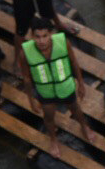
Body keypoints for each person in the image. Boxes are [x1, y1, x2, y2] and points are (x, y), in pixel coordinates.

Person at [18, 17, 99, 147]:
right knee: (49, 117)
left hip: (65, 86)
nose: (41, 41)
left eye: (45, 36)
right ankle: (53, 140)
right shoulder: (24, 53)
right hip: (46, 92)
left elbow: (74, 62)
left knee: (76, 109)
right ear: (32, 36)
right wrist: (31, 100)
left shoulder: (63, 42)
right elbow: (26, 78)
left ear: (51, 34)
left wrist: (81, 84)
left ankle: (84, 127)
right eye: (37, 37)